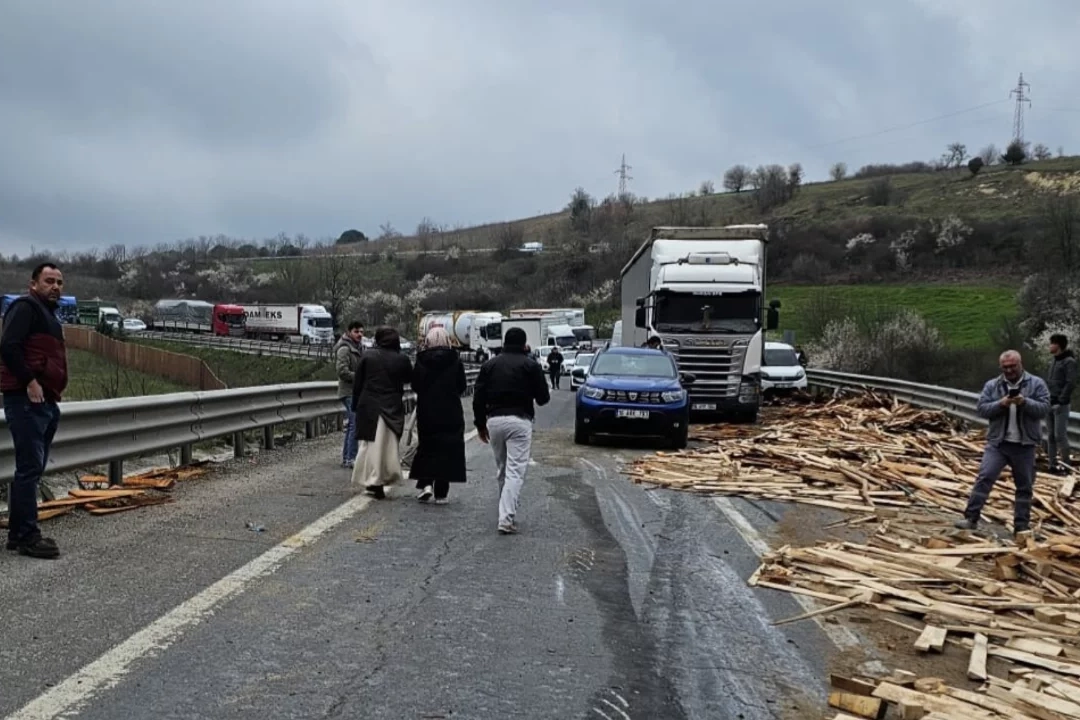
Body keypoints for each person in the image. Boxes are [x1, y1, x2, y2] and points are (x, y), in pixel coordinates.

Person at [0, 263, 68, 559]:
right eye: (49, 281)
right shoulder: (25, 308)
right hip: (27, 399)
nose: (55, 287)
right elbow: (8, 346)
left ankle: (18, 534)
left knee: (32, 468)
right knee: (29, 468)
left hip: (45, 401)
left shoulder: (48, 314)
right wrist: (29, 382)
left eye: (59, 282)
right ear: (33, 284)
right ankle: (28, 536)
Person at [955, 350, 1051, 536]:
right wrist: (1001, 404)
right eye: (1005, 367)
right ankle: (971, 518)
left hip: (1024, 445)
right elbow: (982, 409)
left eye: (1012, 366)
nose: (1009, 370)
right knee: (985, 477)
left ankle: (1021, 526)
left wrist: (1024, 402)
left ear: (1020, 364)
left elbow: (1044, 409)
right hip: (998, 443)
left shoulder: (1036, 383)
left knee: (1024, 486)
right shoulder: (993, 385)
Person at [473, 327, 550, 534]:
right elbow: (543, 398)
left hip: (494, 420)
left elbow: (478, 397)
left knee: (502, 469)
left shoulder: (489, 365)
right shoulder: (530, 366)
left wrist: (480, 424)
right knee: (515, 471)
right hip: (520, 420)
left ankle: (505, 510)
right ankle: (506, 518)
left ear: (504, 343)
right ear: (524, 344)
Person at [351, 327, 413, 499]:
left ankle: (372, 480)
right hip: (392, 405)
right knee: (387, 446)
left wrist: (355, 406)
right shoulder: (402, 359)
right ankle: (384, 477)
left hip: (369, 405)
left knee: (370, 445)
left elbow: (358, 383)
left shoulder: (368, 356)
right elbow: (409, 378)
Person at [409, 327, 467, 504]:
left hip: (427, 409)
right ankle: (441, 493)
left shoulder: (421, 360)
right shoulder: (455, 360)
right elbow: (462, 386)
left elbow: (415, 385)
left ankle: (426, 483)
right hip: (450, 409)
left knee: (427, 446)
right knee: (447, 449)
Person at [334, 321, 364, 468]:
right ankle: (350, 458)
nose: (360, 334)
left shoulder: (359, 348)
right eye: (356, 332)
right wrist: (360, 377)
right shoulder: (345, 349)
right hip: (348, 391)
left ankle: (347, 457)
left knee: (353, 424)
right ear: (349, 332)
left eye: (361, 332)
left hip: (355, 391)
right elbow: (342, 371)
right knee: (354, 424)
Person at [1046, 333, 1076, 475]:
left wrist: (1061, 400)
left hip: (1061, 405)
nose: (1049, 346)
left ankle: (1066, 465)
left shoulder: (1069, 362)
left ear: (1058, 345)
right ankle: (1052, 464)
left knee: (1060, 435)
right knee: (1051, 436)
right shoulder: (1054, 361)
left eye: (1051, 343)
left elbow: (1070, 383)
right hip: (1050, 402)